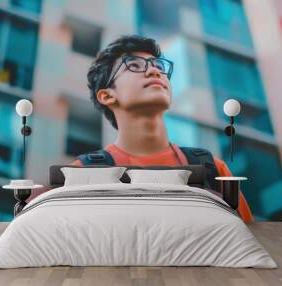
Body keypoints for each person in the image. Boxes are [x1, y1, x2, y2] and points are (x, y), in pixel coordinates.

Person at [70, 35, 253, 223]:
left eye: (159, 66)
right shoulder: (84, 173)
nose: (154, 71)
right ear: (107, 95)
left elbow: (250, 241)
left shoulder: (212, 169)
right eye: (134, 65)